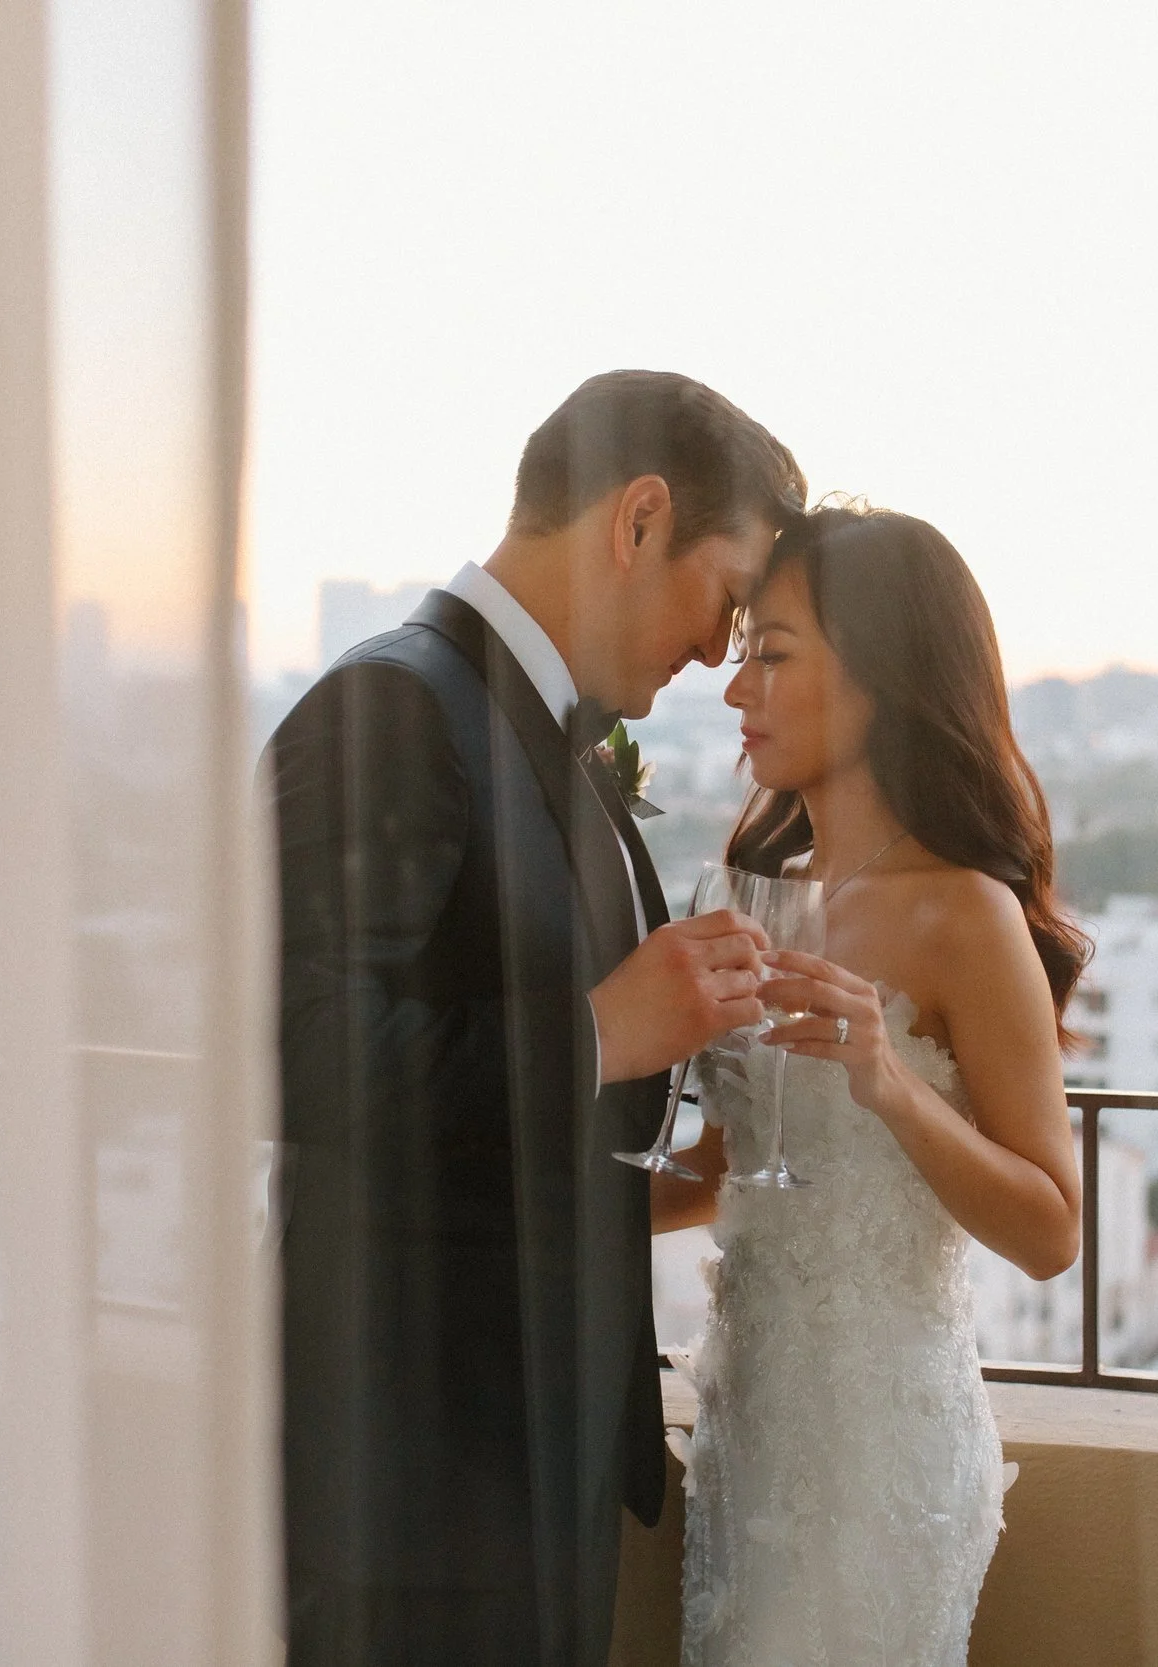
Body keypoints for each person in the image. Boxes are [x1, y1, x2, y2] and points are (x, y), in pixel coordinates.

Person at [266, 371, 806, 1664]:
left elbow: (483, 1146)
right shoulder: (393, 704)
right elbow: (288, 1045)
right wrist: (610, 1028)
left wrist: (683, 1177)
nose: (714, 650)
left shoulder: (540, 732)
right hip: (416, 1500)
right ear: (638, 518)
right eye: (725, 598)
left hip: (524, 1472)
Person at [656, 501, 1089, 1666]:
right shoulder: (754, 891)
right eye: (743, 653)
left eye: (775, 654)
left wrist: (888, 1079)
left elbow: (1051, 1229)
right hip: (748, 1424)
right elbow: (720, 1171)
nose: (739, 687)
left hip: (877, 1448)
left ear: (884, 676)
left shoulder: (965, 912)